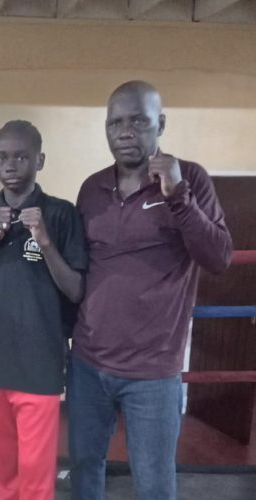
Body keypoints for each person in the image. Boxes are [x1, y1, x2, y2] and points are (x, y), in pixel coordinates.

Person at [68, 80, 233, 500]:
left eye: (138, 121)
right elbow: (81, 270)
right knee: (85, 471)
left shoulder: (190, 178)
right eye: (115, 123)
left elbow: (218, 257)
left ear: (159, 123)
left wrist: (179, 196)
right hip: (88, 362)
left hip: (153, 373)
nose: (125, 132)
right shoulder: (92, 189)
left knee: (154, 484)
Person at [0, 120, 87, 500]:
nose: (11, 165)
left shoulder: (62, 214)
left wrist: (46, 242)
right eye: (3, 157)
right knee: (5, 472)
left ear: (40, 160)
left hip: (40, 363)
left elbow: (76, 289)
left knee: (34, 477)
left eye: (21, 157)